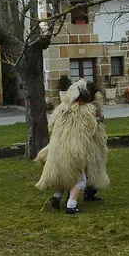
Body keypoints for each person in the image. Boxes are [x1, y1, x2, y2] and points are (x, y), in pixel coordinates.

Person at [36, 79, 109, 214]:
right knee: (79, 179)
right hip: (74, 150)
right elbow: (94, 127)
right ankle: (71, 205)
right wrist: (98, 118)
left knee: (63, 176)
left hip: (58, 148)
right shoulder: (87, 112)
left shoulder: (62, 109)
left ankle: (56, 198)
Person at [83, 79, 108, 202]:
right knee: (83, 166)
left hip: (95, 138)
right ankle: (73, 195)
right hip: (85, 138)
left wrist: (99, 118)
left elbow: (99, 116)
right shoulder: (81, 106)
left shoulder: (96, 102)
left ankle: (90, 191)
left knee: (94, 164)